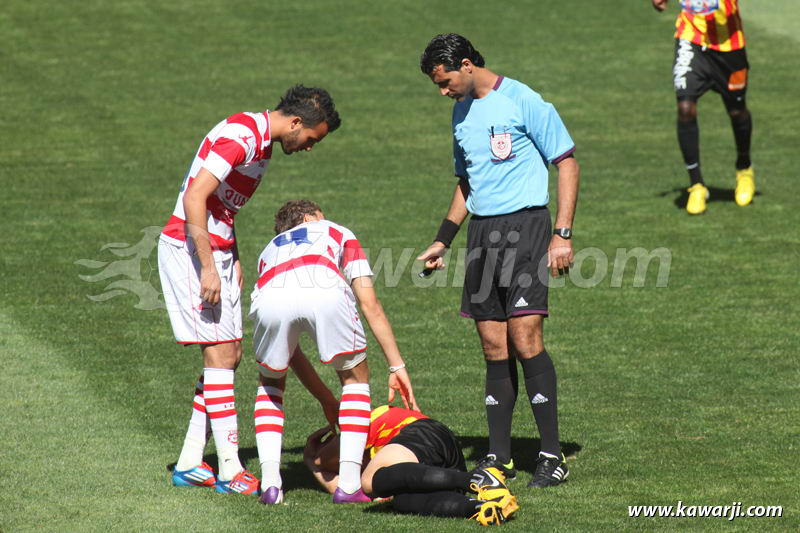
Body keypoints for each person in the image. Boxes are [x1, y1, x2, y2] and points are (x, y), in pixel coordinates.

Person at [158, 86, 341, 494]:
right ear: (296, 123)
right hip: (190, 248)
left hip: (217, 249)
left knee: (231, 354)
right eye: (312, 139)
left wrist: (234, 255)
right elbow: (195, 197)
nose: (309, 148)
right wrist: (208, 266)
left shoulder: (261, 146)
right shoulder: (241, 138)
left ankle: (190, 461)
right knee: (221, 355)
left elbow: (224, 207)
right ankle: (229, 469)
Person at [416, 34, 579, 488]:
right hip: (482, 235)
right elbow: (466, 182)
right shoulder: (461, 112)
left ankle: (551, 455)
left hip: (527, 228)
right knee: (493, 345)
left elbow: (566, 162)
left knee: (525, 336)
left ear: (466, 65)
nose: (443, 91)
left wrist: (562, 234)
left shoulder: (522, 100)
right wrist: (443, 239)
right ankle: (499, 458)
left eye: (445, 81)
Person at [249, 200, 417, 504]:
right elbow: (370, 304)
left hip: (269, 295)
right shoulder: (337, 231)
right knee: (354, 379)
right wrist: (396, 365)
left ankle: (271, 484)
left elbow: (291, 354)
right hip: (324, 287)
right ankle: (349, 485)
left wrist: (327, 400)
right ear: (309, 217)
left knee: (271, 383)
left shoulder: (268, 250)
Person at [304, 405, 519, 526]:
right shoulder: (386, 463)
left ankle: (475, 478)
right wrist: (312, 466)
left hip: (424, 432)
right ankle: (479, 508)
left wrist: (313, 458)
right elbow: (343, 490)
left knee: (369, 480)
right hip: (439, 461)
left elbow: (325, 459)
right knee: (402, 501)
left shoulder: (367, 421)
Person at [653, 0, 755, 214]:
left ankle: (744, 168)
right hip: (692, 39)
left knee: (737, 112)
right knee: (685, 108)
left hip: (730, 48)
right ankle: (696, 185)